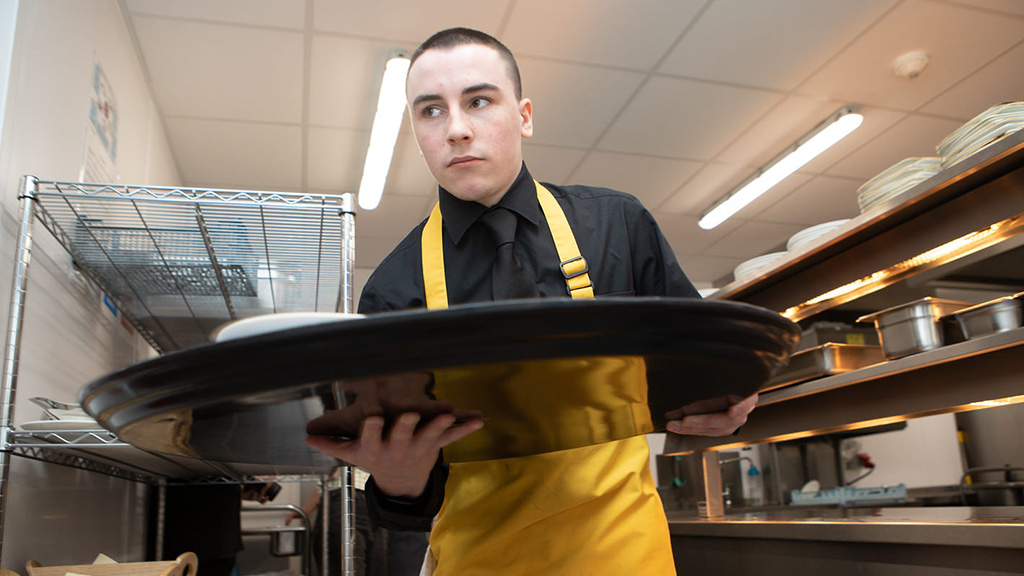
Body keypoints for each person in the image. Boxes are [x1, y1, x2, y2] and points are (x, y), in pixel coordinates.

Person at [306, 27, 756, 575]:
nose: (456, 129)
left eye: (478, 101)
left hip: (621, 551)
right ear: (416, 130)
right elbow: (407, 499)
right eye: (430, 111)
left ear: (523, 116)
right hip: (477, 560)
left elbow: (703, 373)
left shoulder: (617, 224)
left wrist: (729, 403)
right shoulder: (393, 288)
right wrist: (398, 482)